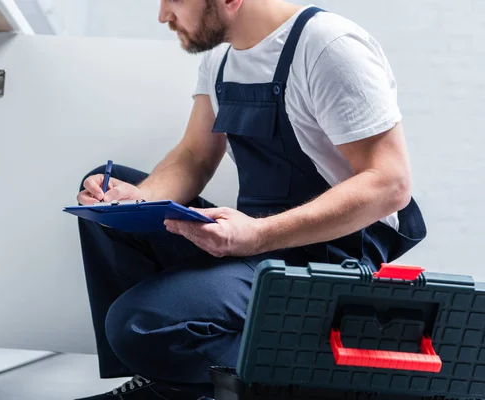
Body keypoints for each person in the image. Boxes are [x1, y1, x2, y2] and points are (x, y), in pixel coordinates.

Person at [75, 1, 427, 399]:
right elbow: (194, 155)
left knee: (138, 325)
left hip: (328, 255)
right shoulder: (222, 60)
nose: (164, 15)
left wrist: (257, 235)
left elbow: (390, 183)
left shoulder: (329, 47)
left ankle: (331, 379)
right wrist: (140, 199)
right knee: (107, 210)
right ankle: (163, 382)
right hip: (255, 238)